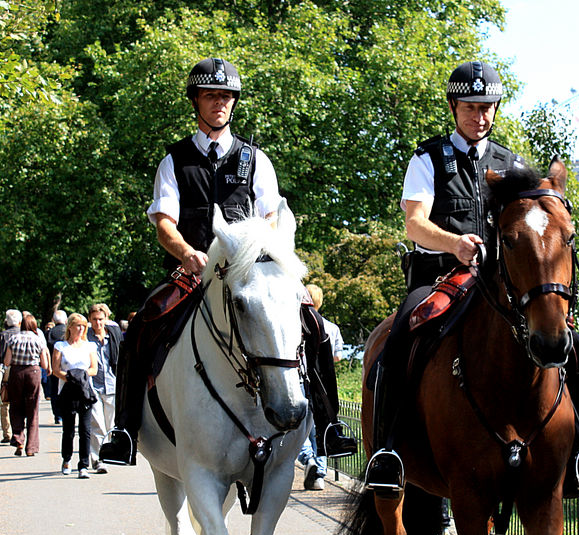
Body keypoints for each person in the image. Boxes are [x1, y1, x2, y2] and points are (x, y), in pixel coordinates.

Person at [364, 60, 579, 494]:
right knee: (398, 335)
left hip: (497, 286)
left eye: (488, 107)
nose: (480, 116)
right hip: (438, 275)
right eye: (471, 107)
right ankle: (387, 453)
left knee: (572, 340)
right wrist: (454, 244)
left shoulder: (511, 164)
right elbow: (414, 224)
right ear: (453, 106)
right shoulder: (427, 158)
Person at [100, 57, 355, 465]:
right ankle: (125, 431)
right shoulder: (174, 161)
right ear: (196, 101)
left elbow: (270, 218)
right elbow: (164, 222)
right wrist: (187, 253)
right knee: (142, 326)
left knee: (315, 326)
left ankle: (328, 426)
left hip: (249, 273)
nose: (219, 103)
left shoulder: (256, 160)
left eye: (226, 96)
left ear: (234, 102)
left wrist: (253, 254)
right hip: (193, 273)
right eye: (210, 96)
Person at [297, 284, 344, 491]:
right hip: (323, 383)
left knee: (298, 427)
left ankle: (308, 459)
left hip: (300, 380)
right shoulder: (332, 327)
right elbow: (337, 356)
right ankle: (320, 475)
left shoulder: (296, 324)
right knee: (321, 427)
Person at [52, 313, 99, 479]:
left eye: (83, 326)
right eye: (77, 325)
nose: (80, 329)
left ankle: (83, 464)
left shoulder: (89, 346)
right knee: (69, 429)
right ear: (70, 327)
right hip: (67, 391)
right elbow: (56, 369)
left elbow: (94, 368)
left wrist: (81, 377)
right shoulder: (61, 346)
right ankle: (66, 459)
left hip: (85, 392)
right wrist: (71, 378)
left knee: (85, 429)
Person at [3, 313, 50, 456]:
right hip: (33, 373)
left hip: (17, 373)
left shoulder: (13, 339)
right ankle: (31, 447)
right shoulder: (38, 340)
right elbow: (44, 363)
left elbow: (6, 362)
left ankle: (18, 438)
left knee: (16, 406)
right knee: (33, 409)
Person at [86, 303, 122, 474]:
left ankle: (106, 454)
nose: (97, 323)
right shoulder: (86, 337)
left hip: (112, 385)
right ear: (89, 320)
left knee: (110, 424)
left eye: (100, 319)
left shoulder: (114, 335)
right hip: (93, 386)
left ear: (106, 319)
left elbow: (122, 357)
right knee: (97, 424)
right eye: (94, 320)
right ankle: (97, 459)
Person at [0, 309, 22, 443]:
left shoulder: (3, 336)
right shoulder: (24, 334)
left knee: (4, 401)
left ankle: (7, 432)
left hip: (5, 369)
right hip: (21, 369)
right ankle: (19, 431)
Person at [46, 310, 67, 424]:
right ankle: (65, 412)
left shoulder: (49, 333)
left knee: (54, 390)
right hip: (66, 366)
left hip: (54, 365)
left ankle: (57, 415)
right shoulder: (68, 331)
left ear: (53, 320)